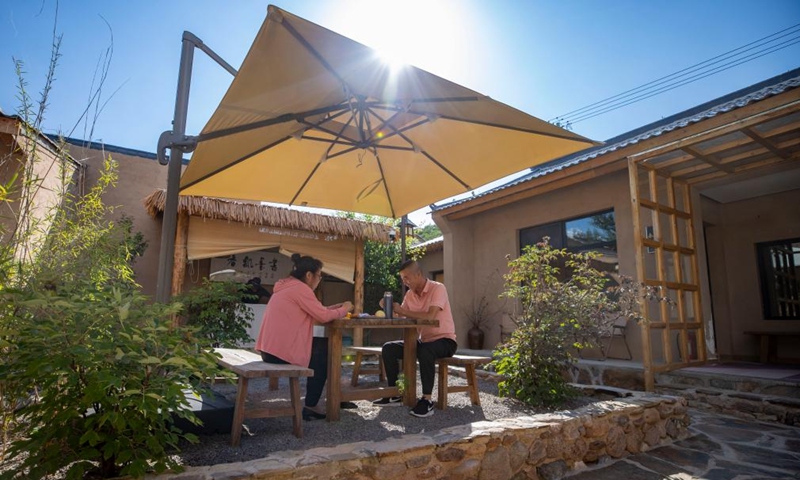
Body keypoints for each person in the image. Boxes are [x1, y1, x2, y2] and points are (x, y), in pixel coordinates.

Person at [256, 254, 353, 420]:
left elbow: (316, 311)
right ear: (309, 275)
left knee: (324, 348)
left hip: (269, 350)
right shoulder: (301, 289)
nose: (319, 280)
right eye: (319, 276)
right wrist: (345, 308)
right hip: (279, 353)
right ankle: (313, 405)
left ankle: (336, 397)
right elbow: (323, 317)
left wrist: (335, 308)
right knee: (325, 353)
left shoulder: (287, 286)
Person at [373, 260, 457, 417]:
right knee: (389, 348)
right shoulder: (409, 295)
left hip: (446, 341)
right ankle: (395, 394)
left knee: (425, 351)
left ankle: (427, 400)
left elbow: (430, 316)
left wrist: (402, 311)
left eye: (407, 277)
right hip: (424, 341)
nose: (404, 281)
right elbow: (401, 316)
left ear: (418, 274)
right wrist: (388, 307)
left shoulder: (438, 288)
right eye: (402, 278)